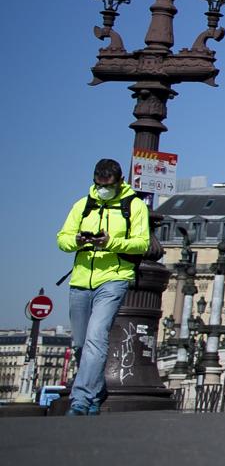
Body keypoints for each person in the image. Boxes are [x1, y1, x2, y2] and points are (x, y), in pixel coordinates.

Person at [55, 158, 150, 414]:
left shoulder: (135, 206)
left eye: (107, 185)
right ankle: (96, 392)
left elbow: (142, 243)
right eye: (98, 185)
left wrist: (111, 242)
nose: (102, 189)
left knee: (96, 338)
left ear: (120, 182)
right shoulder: (83, 205)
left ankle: (81, 400)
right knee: (80, 344)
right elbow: (61, 239)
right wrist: (76, 241)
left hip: (114, 278)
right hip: (81, 280)